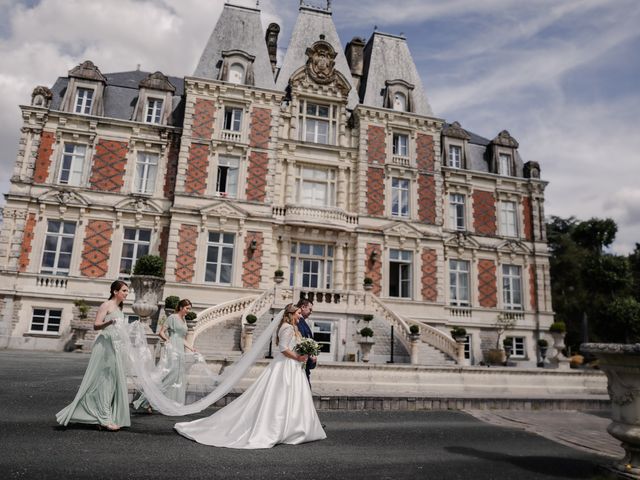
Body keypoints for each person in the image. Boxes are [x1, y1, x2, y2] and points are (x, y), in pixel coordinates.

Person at [174, 303, 326, 449]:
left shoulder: (293, 327)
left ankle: (295, 427)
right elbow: (283, 349)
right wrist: (298, 357)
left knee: (294, 396)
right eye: (298, 313)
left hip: (294, 366)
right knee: (281, 395)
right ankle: (281, 428)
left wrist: (304, 353)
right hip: (287, 365)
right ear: (291, 314)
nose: (300, 316)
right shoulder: (286, 328)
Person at [56, 280, 131, 431]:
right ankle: (104, 419)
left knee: (111, 381)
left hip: (116, 346)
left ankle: (101, 414)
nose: (126, 293)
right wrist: (109, 323)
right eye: (124, 290)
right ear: (115, 292)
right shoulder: (106, 305)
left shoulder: (119, 307)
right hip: (105, 346)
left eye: (127, 291)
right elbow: (96, 325)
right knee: (105, 380)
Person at [133, 299, 197, 413]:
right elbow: (161, 332)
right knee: (168, 375)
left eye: (189, 309)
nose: (188, 311)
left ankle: (171, 403)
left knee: (177, 377)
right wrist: (168, 340)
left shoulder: (184, 320)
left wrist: (191, 348)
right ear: (181, 307)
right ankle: (147, 401)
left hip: (180, 350)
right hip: (172, 348)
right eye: (187, 308)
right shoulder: (172, 317)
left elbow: (182, 338)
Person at [296, 298, 317, 384]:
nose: (311, 312)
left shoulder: (303, 322)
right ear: (303, 307)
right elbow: (300, 341)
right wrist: (309, 353)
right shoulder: (298, 322)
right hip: (300, 362)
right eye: (310, 309)